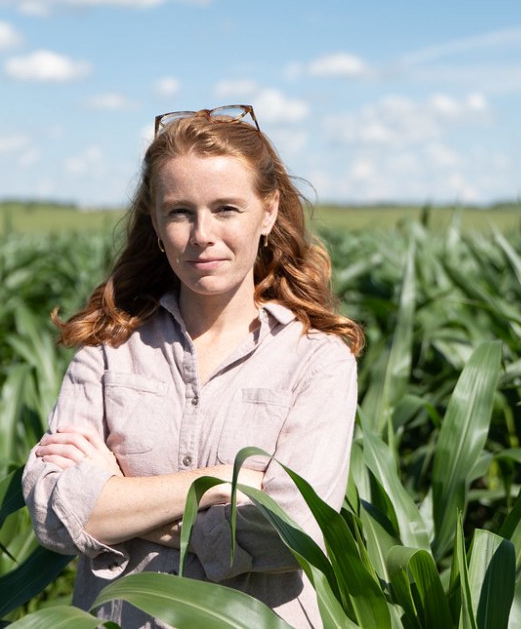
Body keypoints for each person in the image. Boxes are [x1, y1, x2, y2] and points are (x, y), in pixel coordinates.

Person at [22, 105, 364, 628]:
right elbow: (55, 514)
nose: (202, 233)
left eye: (226, 208)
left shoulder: (316, 359)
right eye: (180, 212)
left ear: (268, 212)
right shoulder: (109, 347)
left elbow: (293, 532)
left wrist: (120, 504)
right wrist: (214, 481)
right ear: (157, 224)